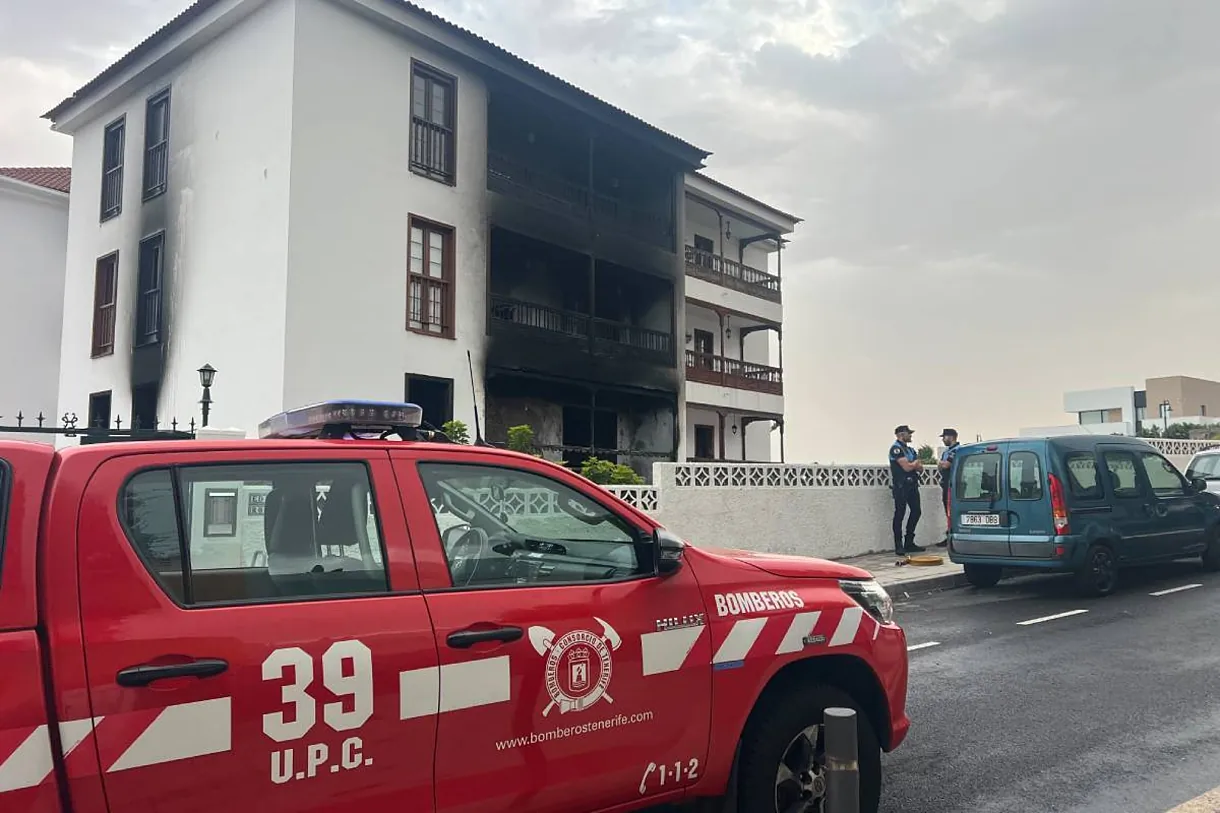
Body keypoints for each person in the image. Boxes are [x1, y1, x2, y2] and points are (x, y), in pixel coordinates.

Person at [889, 425, 925, 556]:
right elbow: (907, 468)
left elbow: (920, 468)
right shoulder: (896, 449)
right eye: (908, 433)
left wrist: (914, 465)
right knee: (900, 514)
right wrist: (914, 464)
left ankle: (909, 542)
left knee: (916, 511)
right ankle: (899, 545)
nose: (910, 436)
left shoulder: (910, 450)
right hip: (901, 486)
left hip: (912, 485)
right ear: (901, 434)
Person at [935, 428, 960, 548]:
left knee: (952, 511)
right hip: (945, 484)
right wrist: (941, 464)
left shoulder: (957, 450)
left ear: (951, 437)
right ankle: (949, 535)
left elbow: (945, 465)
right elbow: (941, 466)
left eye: (944, 437)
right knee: (947, 511)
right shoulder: (946, 452)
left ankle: (953, 536)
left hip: (953, 485)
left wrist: (941, 464)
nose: (943, 440)